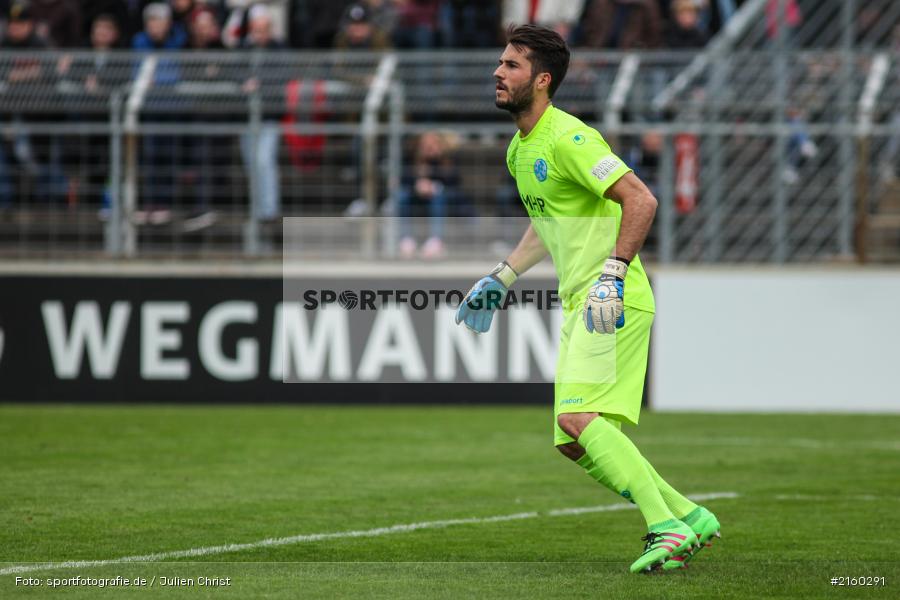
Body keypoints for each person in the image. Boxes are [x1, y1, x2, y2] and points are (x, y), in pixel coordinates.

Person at [455, 24, 721, 573]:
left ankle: (663, 527)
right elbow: (544, 226)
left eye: (511, 65)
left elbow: (640, 200)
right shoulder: (518, 151)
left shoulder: (570, 139)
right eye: (500, 63)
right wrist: (502, 277)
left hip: (610, 299)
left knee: (578, 418)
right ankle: (687, 514)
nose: (497, 73)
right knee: (572, 440)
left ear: (542, 80)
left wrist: (613, 274)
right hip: (584, 301)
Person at [397, 131, 461, 260]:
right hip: (415, 194)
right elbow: (403, 180)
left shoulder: (446, 160)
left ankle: (436, 240)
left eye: (433, 143)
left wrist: (435, 185)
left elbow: (454, 183)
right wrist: (417, 184)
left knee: (439, 197)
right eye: (426, 144)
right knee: (401, 196)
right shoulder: (412, 159)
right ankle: (406, 239)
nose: (429, 147)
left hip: (438, 196)